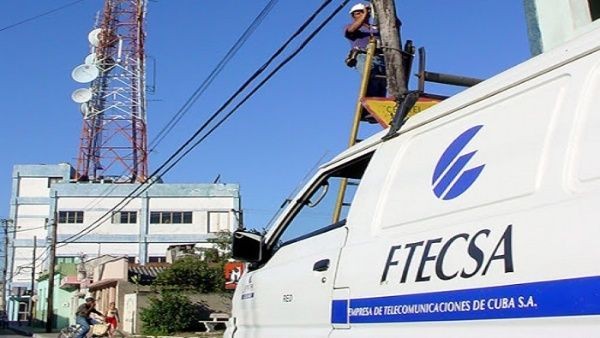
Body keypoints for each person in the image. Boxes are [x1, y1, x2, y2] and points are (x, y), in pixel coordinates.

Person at [344, 2, 387, 98]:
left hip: (380, 57)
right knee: (369, 75)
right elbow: (351, 30)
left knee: (383, 83)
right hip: (363, 55)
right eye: (357, 13)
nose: (361, 14)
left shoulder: (376, 28)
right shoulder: (351, 27)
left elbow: (394, 24)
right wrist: (364, 13)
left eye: (362, 12)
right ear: (353, 16)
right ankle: (367, 101)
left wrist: (381, 10)